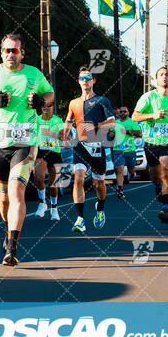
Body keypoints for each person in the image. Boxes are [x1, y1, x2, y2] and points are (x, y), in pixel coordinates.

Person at [0, 33, 54, 266]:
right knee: (3, 198)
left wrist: (41, 102)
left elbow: (50, 93)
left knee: (16, 192)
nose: (10, 54)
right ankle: (8, 230)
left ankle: (12, 248)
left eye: (15, 50)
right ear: (1, 52)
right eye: (7, 50)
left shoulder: (33, 74)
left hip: (25, 143)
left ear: (22, 53)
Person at [64, 66, 115, 232]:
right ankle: (80, 219)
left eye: (88, 78)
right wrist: (65, 135)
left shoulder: (102, 100)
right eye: (82, 78)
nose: (85, 81)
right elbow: (68, 121)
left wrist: (97, 125)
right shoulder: (74, 103)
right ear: (79, 82)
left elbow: (112, 122)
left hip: (97, 144)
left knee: (99, 184)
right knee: (78, 178)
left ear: (93, 81)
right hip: (80, 145)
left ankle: (100, 210)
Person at [132, 67, 168, 224]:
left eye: (167, 75)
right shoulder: (148, 97)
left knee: (166, 173)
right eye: (161, 75)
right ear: (156, 80)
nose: (164, 77)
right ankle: (158, 187)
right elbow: (135, 116)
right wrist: (153, 115)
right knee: (155, 177)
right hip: (151, 142)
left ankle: (165, 208)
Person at [35, 103, 65, 221]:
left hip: (54, 152)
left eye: (49, 105)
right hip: (41, 151)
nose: (45, 107)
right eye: (43, 105)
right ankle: (42, 203)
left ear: (53, 107)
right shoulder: (36, 119)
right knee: (39, 177)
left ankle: (54, 208)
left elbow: (63, 137)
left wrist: (51, 133)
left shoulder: (58, 121)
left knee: (54, 184)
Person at [113, 105, 142, 199]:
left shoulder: (132, 122)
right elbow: (111, 133)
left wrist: (127, 131)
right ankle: (120, 189)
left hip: (130, 150)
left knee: (131, 169)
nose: (122, 113)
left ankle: (132, 173)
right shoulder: (115, 123)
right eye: (121, 112)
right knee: (119, 169)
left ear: (128, 113)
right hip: (118, 150)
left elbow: (139, 133)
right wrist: (111, 133)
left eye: (124, 111)